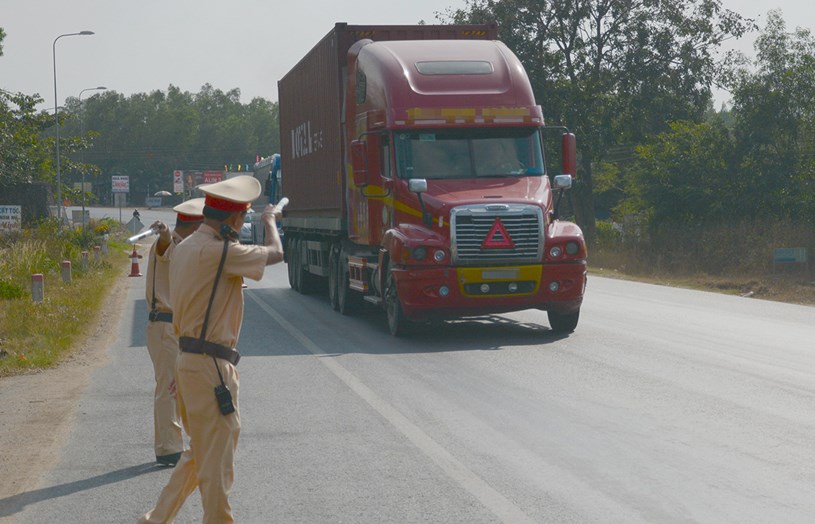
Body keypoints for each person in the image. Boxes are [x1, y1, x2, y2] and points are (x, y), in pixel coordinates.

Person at [139, 176, 284, 524]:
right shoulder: (218, 251)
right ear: (233, 220)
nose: (241, 225)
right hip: (211, 366)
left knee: (201, 452)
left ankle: (156, 518)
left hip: (189, 360)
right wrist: (269, 221)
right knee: (218, 460)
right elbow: (276, 254)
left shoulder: (185, 248)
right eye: (242, 219)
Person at [144, 198, 205, 467]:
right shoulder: (172, 244)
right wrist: (166, 232)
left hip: (174, 326)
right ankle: (168, 448)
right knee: (168, 386)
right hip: (164, 325)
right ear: (192, 226)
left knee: (177, 386)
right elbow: (165, 246)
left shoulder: (187, 248)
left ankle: (175, 442)